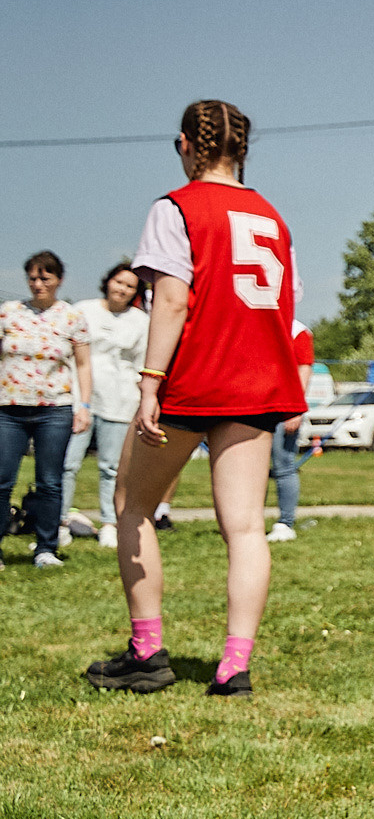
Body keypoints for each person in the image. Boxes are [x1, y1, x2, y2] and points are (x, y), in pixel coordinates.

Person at [88, 100, 304, 697]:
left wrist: (150, 382)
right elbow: (286, 305)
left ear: (185, 145)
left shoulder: (176, 207)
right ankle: (235, 666)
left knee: (131, 504)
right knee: (244, 528)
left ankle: (147, 651)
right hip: (256, 381)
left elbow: (174, 300)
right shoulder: (271, 216)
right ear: (243, 148)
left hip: (196, 376)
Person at [1, 251, 92, 568]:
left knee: (50, 481)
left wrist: (84, 406)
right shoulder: (9, 313)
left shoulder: (71, 317)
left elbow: (83, 365)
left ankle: (46, 549)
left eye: (45, 278)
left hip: (54, 408)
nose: (38, 284)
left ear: (58, 280)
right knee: (2, 479)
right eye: (33, 278)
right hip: (9, 408)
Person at [62, 263, 145, 550]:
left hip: (120, 400)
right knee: (68, 463)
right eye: (118, 282)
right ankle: (59, 522)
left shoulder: (140, 321)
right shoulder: (83, 310)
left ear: (136, 292)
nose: (121, 289)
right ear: (107, 282)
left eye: (129, 286)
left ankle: (110, 523)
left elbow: (141, 362)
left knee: (111, 467)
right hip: (80, 399)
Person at [266, 320, 314, 541]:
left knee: (284, 466)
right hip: (253, 405)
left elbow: (304, 367)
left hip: (282, 407)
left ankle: (286, 523)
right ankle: (248, 521)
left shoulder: (298, 330)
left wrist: (295, 407)